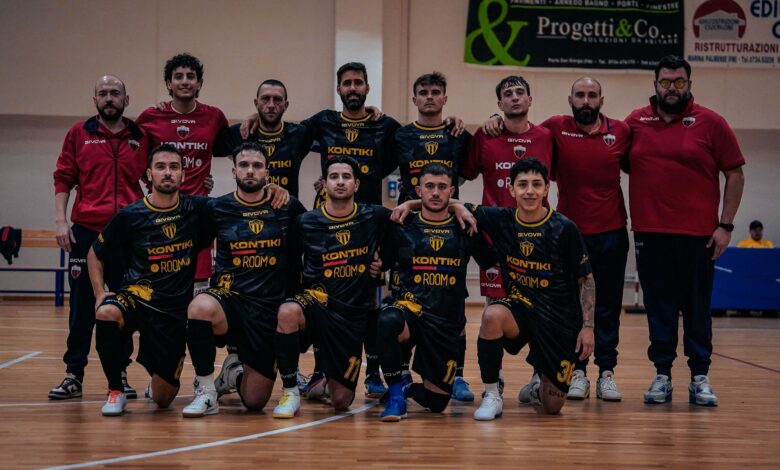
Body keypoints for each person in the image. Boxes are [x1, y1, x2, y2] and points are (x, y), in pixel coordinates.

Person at [626, 55, 745, 406]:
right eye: (666, 82)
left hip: (699, 236)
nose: (672, 88)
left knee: (697, 307)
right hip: (650, 233)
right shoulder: (635, 122)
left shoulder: (712, 123)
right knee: (659, 306)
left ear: (689, 84)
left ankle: (699, 377)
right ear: (655, 85)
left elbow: (735, 173)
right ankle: (662, 375)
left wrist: (725, 225)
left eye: (679, 82)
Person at [464, 158, 595, 420]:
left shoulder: (564, 228)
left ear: (546, 189)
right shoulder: (502, 219)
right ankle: (492, 394)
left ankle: (539, 384)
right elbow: (453, 204)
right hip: (520, 308)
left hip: (558, 319)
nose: (530, 191)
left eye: (536, 184)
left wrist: (588, 327)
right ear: (511, 189)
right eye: (522, 184)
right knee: (491, 315)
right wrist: (410, 204)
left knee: (552, 407)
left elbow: (586, 280)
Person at [88, 144, 210, 416]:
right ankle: (115, 390)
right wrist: (99, 292)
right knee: (107, 313)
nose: (167, 173)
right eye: (160, 167)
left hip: (172, 312)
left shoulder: (197, 208)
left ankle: (157, 377)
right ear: (149, 175)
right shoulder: (130, 215)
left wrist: (271, 188)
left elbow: (238, 202)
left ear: (183, 175)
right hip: (136, 298)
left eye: (174, 167)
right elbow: (95, 253)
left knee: (163, 399)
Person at [49, 75, 149, 400]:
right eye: (103, 93)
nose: (109, 98)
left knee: (124, 304)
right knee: (82, 307)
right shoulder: (79, 133)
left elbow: (158, 177)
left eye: (115, 93)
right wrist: (60, 221)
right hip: (86, 231)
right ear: (95, 100)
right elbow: (63, 177)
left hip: (127, 234)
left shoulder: (141, 137)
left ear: (126, 99)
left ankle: (120, 373)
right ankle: (73, 375)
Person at [182, 143, 299, 417]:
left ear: (267, 173)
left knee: (255, 401)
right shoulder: (217, 207)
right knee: (199, 307)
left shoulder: (286, 206)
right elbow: (188, 239)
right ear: (234, 171)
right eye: (244, 165)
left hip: (267, 307)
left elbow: (314, 238)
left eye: (257, 166)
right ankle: (207, 392)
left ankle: (233, 375)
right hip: (229, 301)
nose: (250, 171)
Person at [272, 156, 394, 417]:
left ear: (356, 184)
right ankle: (290, 391)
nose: (340, 182)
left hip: (350, 316)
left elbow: (408, 227)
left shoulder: (374, 216)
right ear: (324, 184)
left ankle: (327, 378)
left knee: (341, 401)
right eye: (334, 177)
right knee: (287, 312)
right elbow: (290, 264)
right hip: (316, 304)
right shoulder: (305, 222)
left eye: (346, 177)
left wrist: (384, 262)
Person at [374, 163, 494, 421]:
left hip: (445, 323)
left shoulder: (465, 226)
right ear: (419, 191)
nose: (436, 192)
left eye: (442, 187)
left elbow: (489, 260)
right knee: (387, 319)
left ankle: (408, 389)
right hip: (412, 311)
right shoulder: (402, 224)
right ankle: (395, 395)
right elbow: (382, 263)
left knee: (437, 403)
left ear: (452, 191)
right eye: (429, 186)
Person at [536, 77, 631, 402]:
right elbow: (522, 134)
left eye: (592, 95)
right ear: (570, 100)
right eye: (580, 95)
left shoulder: (621, 131)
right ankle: (577, 371)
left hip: (612, 232)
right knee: (572, 306)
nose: (586, 100)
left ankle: (607, 372)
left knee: (608, 305)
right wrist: (495, 119)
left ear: (601, 100)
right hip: (569, 234)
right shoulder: (555, 127)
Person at [391, 72, 474, 401]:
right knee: (404, 298)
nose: (429, 97)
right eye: (423, 92)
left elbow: (476, 163)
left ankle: (459, 374)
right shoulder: (400, 136)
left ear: (445, 98)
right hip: (409, 225)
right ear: (414, 99)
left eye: (435, 91)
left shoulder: (458, 134)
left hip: (451, 223)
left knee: (454, 301)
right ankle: (400, 371)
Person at [136, 53, 229, 286]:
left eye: (191, 76)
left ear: (199, 84)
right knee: (161, 279)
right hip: (161, 211)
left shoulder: (214, 116)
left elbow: (235, 149)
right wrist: (151, 184)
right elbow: (135, 160)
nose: (185, 81)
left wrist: (252, 117)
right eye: (178, 77)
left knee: (198, 284)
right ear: (169, 83)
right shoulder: (151, 116)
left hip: (197, 212)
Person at [216, 79, 313, 198]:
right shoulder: (240, 132)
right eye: (265, 98)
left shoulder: (298, 133)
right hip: (247, 208)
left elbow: (330, 140)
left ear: (286, 105)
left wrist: (326, 176)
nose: (271, 105)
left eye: (277, 99)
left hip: (286, 208)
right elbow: (204, 148)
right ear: (256, 103)